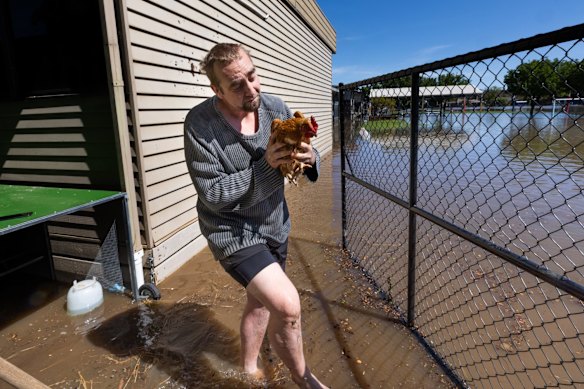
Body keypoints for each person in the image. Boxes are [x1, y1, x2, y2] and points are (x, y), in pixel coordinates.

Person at [183, 43, 328, 389]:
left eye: (252, 76)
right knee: (287, 305)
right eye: (237, 85)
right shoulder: (200, 126)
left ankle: (248, 367)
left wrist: (311, 158)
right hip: (230, 229)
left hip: (273, 221)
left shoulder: (275, 106)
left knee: (260, 301)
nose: (252, 89)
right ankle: (303, 378)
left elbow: (303, 148)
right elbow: (214, 195)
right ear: (217, 89)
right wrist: (265, 167)